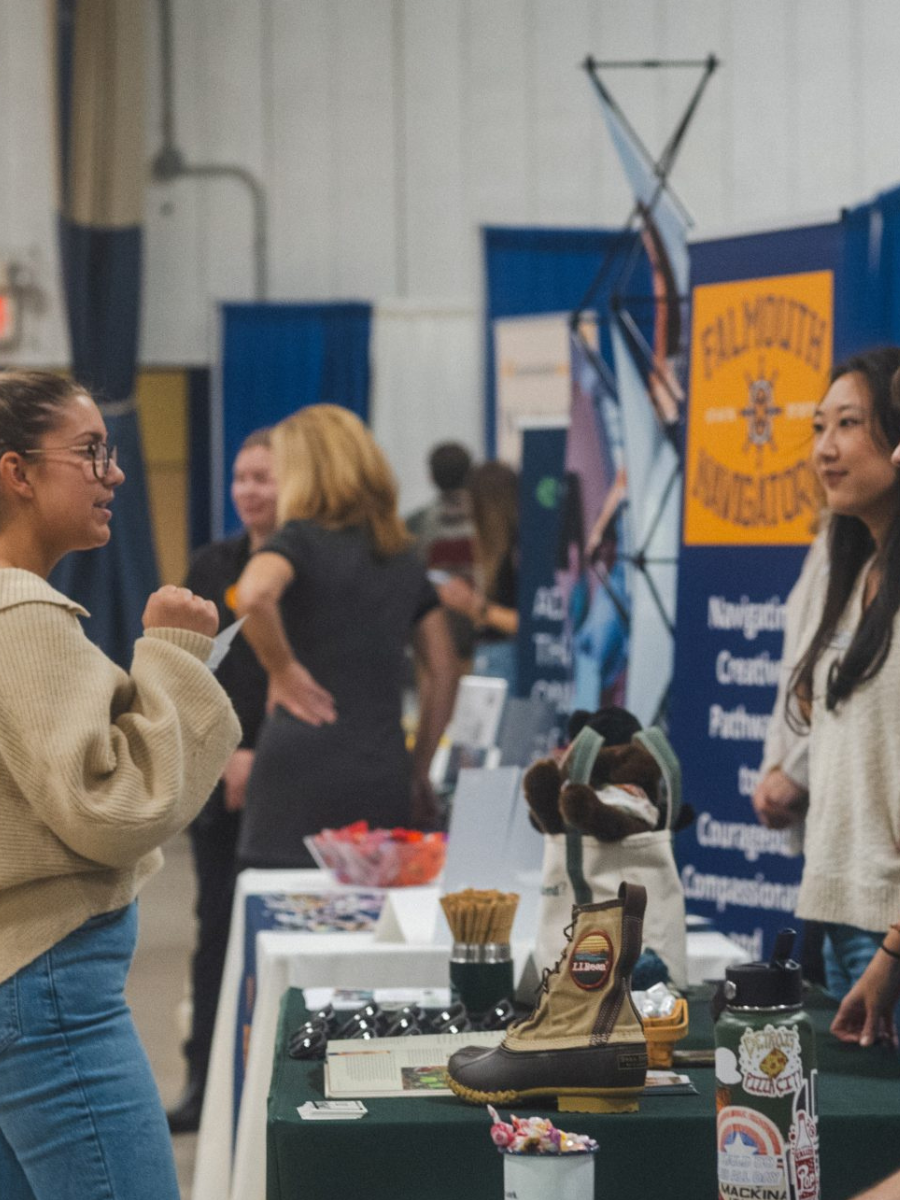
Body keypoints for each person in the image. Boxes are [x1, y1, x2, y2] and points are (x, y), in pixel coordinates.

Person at [0, 371, 240, 1200]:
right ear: (17, 473)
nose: (116, 473)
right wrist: (174, 657)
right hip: (48, 987)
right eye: (90, 451)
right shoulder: (24, 620)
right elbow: (112, 808)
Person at [234, 404, 458, 868]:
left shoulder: (297, 541)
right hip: (381, 770)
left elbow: (253, 595)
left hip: (296, 772)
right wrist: (419, 768)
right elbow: (444, 667)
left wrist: (283, 668)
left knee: (283, 920)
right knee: (368, 922)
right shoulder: (400, 556)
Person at [770, 346, 900, 1026]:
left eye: (848, 424)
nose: (825, 448)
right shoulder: (856, 571)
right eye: (819, 427)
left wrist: (893, 952)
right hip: (841, 916)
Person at [166, 429, 275, 1135]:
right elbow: (196, 671)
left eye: (263, 477)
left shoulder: (309, 566)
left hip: (291, 775)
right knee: (215, 935)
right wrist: (231, 751)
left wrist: (267, 752)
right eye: (240, 477)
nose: (248, 489)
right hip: (222, 778)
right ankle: (203, 1081)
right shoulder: (212, 564)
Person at [437, 459, 519, 688]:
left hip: (505, 658)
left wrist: (475, 606)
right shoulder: (500, 552)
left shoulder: (513, 554)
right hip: (493, 654)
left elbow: (525, 622)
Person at [406, 440, 477, 662]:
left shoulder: (415, 525)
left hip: (434, 635)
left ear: (432, 477)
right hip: (480, 630)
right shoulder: (487, 522)